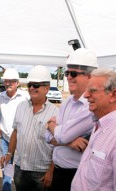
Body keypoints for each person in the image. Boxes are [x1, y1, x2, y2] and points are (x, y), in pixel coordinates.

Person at [46, 48, 98, 191]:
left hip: (76, 175)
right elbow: (46, 137)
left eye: (73, 73)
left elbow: (60, 136)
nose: (68, 77)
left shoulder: (90, 106)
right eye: (67, 73)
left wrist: (50, 124)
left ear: (90, 76)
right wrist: (70, 142)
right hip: (59, 172)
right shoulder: (67, 102)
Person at [3, 65, 59, 191]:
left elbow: (58, 145)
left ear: (47, 88)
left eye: (36, 85)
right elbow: (15, 132)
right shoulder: (21, 107)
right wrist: (9, 153)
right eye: (29, 85)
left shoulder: (55, 113)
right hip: (20, 169)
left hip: (41, 173)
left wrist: (51, 171)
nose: (32, 88)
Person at [71, 68, 116, 191]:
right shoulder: (99, 125)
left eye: (92, 90)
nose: (85, 95)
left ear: (113, 95)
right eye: (86, 90)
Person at [0, 68, 28, 191]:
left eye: (11, 81)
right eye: (6, 81)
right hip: (5, 138)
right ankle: (6, 188)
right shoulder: (0, 97)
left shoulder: (25, 97)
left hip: (21, 139)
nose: (8, 84)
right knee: (6, 165)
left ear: (17, 83)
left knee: (21, 166)